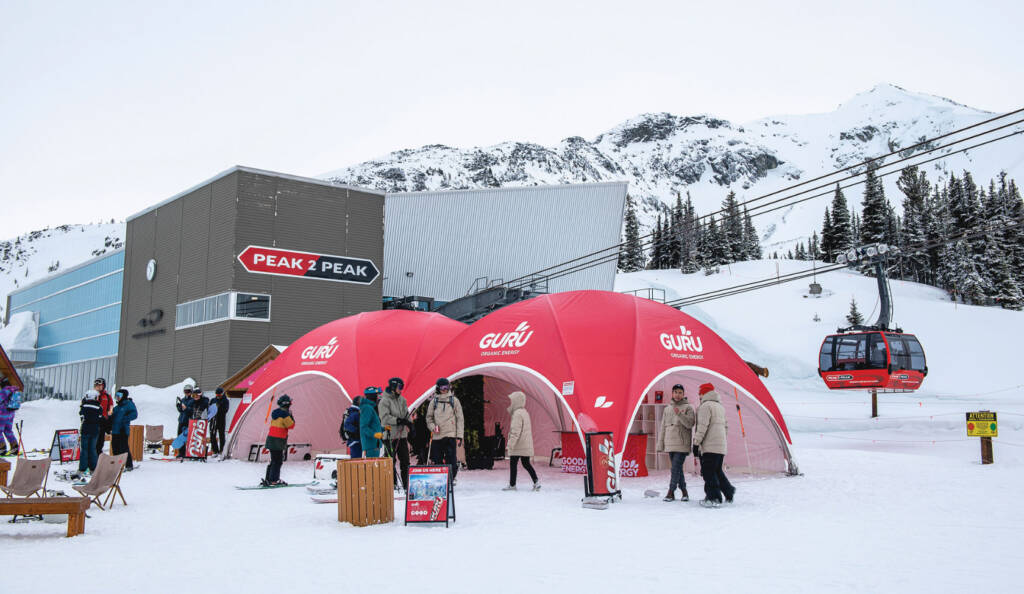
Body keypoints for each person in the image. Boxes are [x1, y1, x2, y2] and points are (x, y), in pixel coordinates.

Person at [692, 382, 735, 508]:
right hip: (720, 446)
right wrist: (720, 440)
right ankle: (728, 491)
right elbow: (726, 427)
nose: (699, 395)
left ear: (703, 393)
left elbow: (702, 427)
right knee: (717, 471)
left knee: (708, 472)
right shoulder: (720, 407)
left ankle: (714, 497)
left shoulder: (705, 406)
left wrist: (696, 443)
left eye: (700, 393)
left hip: (710, 446)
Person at [656, 383, 695, 502]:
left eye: (680, 393)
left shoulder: (688, 408)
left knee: (675, 468)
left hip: (682, 443)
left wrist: (679, 414)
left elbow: (690, 424)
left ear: (683, 394)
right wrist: (660, 444)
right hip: (670, 442)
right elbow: (663, 427)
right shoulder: (667, 408)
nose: (677, 395)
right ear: (672, 393)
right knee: (677, 469)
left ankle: (671, 492)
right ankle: (684, 492)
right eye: (675, 392)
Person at [378, 377, 413, 491]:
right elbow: (384, 417)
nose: (401, 390)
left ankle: (406, 484)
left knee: (405, 460)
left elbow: (406, 414)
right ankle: (392, 484)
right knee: (390, 461)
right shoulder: (384, 401)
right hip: (390, 436)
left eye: (402, 387)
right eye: (399, 387)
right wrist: (398, 420)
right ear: (393, 387)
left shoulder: (402, 400)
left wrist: (410, 424)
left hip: (401, 435)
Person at [425, 378, 463, 484]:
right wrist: (433, 427)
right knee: (437, 460)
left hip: (450, 434)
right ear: (438, 388)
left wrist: (459, 436)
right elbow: (429, 418)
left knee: (452, 460)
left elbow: (460, 419)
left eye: (447, 387)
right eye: (442, 388)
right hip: (438, 435)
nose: (445, 390)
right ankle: (440, 479)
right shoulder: (434, 401)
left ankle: (451, 478)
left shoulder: (454, 401)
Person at [502, 391, 540, 491]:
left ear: (517, 401)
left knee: (513, 464)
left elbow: (515, 432)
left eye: (512, 401)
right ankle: (536, 482)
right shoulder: (524, 412)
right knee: (526, 463)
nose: (511, 403)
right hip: (525, 444)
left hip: (518, 445)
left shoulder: (517, 414)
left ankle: (512, 485)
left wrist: (509, 445)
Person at [262, 394, 295, 487]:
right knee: (278, 461)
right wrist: (291, 416)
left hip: (271, 439)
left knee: (273, 460)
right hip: (279, 440)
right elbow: (291, 425)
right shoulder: (285, 415)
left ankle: (268, 478)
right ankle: (274, 480)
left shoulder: (275, 413)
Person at [110, 388, 138, 470]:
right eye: (116, 396)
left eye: (119, 396)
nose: (117, 397)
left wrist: (124, 419)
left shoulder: (129, 404)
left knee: (124, 448)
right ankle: (117, 465)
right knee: (115, 448)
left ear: (124, 396)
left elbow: (134, 414)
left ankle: (129, 465)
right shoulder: (117, 407)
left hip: (123, 430)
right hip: (115, 430)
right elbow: (112, 416)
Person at [78, 390, 103, 475]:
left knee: (84, 449)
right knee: (93, 449)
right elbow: (100, 418)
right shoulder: (99, 407)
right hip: (95, 430)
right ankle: (93, 468)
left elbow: (82, 417)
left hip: (85, 430)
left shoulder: (84, 406)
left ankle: (82, 468)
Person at [359, 387, 384, 458]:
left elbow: (373, 426)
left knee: (375, 467)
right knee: (372, 468)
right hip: (370, 446)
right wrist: (374, 434)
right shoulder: (367, 408)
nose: (379, 397)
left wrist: (384, 428)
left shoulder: (371, 407)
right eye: (377, 395)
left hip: (375, 444)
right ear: (372, 396)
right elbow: (364, 427)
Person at [93, 377, 113, 458]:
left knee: (100, 443)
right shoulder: (91, 396)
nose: (98, 387)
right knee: (92, 443)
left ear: (103, 386)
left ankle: (99, 460)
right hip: (93, 423)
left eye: (100, 385)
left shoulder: (107, 397)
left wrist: (108, 424)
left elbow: (110, 410)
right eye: (96, 385)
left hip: (102, 423)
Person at [0, 376, 20, 456]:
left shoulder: (4, 391)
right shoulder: (14, 390)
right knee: (8, 430)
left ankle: (2, 448)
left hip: (2, 414)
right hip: (11, 414)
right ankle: (14, 447)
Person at [210, 387, 230, 454]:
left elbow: (225, 410)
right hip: (213, 420)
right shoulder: (213, 400)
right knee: (212, 435)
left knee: (221, 435)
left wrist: (219, 407)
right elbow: (209, 409)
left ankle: (222, 450)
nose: (218, 396)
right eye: (217, 395)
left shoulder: (225, 400)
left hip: (221, 419)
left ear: (222, 394)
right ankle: (215, 450)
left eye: (219, 395)